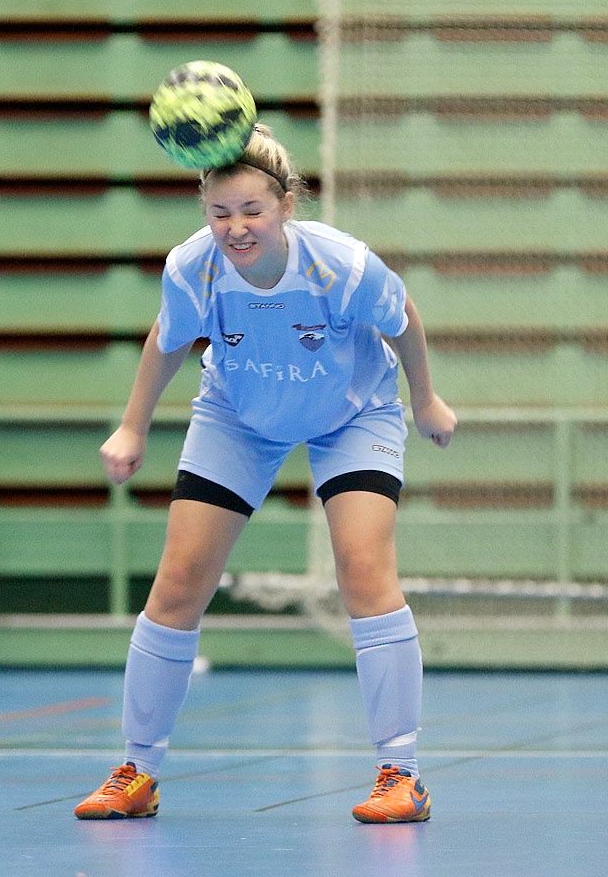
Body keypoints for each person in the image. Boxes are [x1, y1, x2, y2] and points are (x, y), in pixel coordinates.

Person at [73, 124, 457, 824]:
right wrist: (132, 426)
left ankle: (401, 773)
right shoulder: (193, 267)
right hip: (238, 416)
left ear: (284, 206)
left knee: (363, 568)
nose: (235, 228)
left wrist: (425, 399)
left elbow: (402, 320)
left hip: (353, 413)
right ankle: (137, 770)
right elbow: (167, 341)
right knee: (178, 582)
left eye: (251, 210)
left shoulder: (339, 263)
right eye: (220, 214)